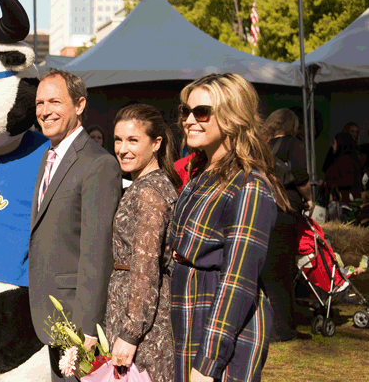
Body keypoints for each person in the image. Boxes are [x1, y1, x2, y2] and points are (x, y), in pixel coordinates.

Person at [169, 74, 287, 382]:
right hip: (189, 318)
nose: (189, 120)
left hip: (219, 329)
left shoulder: (249, 184)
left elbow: (238, 280)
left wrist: (208, 363)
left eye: (201, 112)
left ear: (232, 116)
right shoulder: (201, 172)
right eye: (186, 111)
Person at [29, 69, 122, 381]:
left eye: (55, 101)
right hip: (49, 314)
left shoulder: (98, 163)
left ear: (79, 105)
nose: (44, 110)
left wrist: (86, 330)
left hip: (75, 319)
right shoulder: (48, 156)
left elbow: (96, 253)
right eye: (40, 103)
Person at [105, 104, 181, 382]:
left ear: (156, 143)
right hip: (130, 309)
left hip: (144, 323)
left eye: (133, 140)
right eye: (118, 139)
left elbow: (146, 267)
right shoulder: (143, 185)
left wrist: (130, 333)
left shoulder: (150, 192)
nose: (123, 149)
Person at [261, 108, 312, 342]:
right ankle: (282, 329)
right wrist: (309, 198)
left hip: (259, 208)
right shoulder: (293, 144)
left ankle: (262, 325)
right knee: (282, 273)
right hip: (284, 209)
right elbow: (300, 175)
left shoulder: (260, 146)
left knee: (263, 271)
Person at [325, 132, 362, 207]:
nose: (333, 146)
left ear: (340, 144)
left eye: (334, 143)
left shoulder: (345, 161)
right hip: (343, 203)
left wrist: (329, 183)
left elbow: (347, 181)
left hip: (344, 204)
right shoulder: (346, 159)